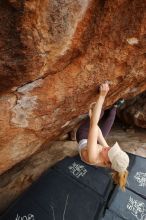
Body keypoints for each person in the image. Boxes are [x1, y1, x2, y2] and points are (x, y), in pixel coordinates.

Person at [76, 82, 129, 191]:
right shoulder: (108, 158)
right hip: (93, 141)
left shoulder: (93, 157)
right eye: (113, 149)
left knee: (100, 113)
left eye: (110, 152)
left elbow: (94, 125)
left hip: (83, 135)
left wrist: (102, 96)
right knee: (106, 124)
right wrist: (94, 126)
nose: (109, 148)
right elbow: (99, 134)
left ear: (107, 162)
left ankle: (108, 110)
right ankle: (114, 108)